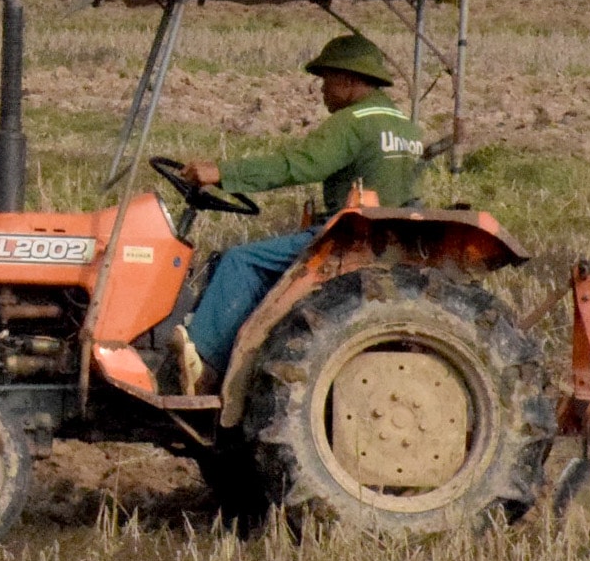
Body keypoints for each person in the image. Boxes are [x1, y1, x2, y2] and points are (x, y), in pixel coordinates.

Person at [170, 34, 427, 393]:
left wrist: (224, 173)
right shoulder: (404, 125)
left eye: (326, 81)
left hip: (352, 239)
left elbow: (301, 165)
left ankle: (203, 370)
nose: (321, 91)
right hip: (386, 237)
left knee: (239, 262)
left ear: (349, 80)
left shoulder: (354, 122)